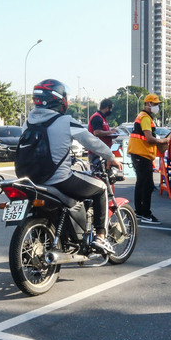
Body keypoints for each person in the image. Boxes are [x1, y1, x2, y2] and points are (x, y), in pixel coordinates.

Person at [25, 79, 121, 254]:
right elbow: (91, 141)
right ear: (58, 99)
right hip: (59, 179)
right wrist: (110, 156)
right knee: (100, 188)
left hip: (31, 179)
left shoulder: (28, 122)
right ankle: (100, 236)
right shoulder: (65, 121)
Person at [127, 93, 169, 225]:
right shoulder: (145, 118)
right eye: (155, 104)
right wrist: (163, 141)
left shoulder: (142, 116)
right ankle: (146, 214)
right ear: (148, 104)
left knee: (141, 184)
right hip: (142, 155)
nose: (157, 107)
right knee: (147, 185)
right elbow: (149, 138)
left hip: (139, 154)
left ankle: (139, 212)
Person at [87, 98, 118, 168]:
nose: (111, 110)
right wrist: (110, 132)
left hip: (103, 151)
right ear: (107, 108)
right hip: (97, 152)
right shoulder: (97, 117)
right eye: (111, 109)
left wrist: (112, 134)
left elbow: (104, 133)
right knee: (98, 173)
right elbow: (96, 132)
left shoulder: (103, 118)